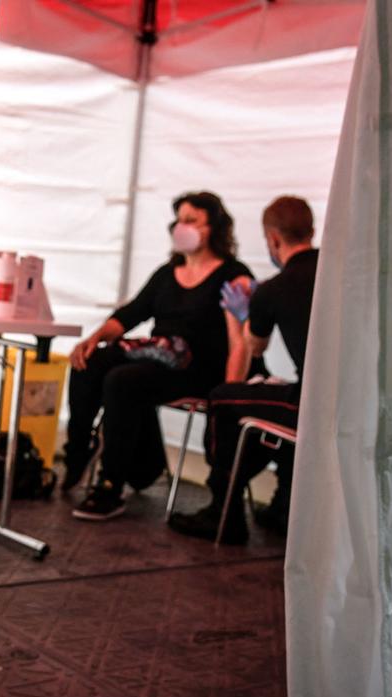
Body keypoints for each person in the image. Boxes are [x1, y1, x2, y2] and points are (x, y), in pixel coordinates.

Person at [65, 191, 253, 520]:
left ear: (214, 227)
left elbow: (241, 340)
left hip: (199, 368)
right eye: (179, 220)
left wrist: (230, 395)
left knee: (122, 380)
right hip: (159, 358)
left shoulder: (232, 274)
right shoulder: (168, 273)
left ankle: (111, 485)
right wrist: (94, 338)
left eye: (191, 220)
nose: (182, 227)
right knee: (91, 361)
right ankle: (78, 451)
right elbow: (130, 314)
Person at [168, 195, 319, 543]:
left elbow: (255, 347)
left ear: (273, 239)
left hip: (312, 402)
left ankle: (224, 511)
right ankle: (284, 505)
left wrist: (243, 316)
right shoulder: (338, 273)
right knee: (281, 391)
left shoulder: (275, 289)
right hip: (352, 399)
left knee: (223, 398)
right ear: (311, 231)